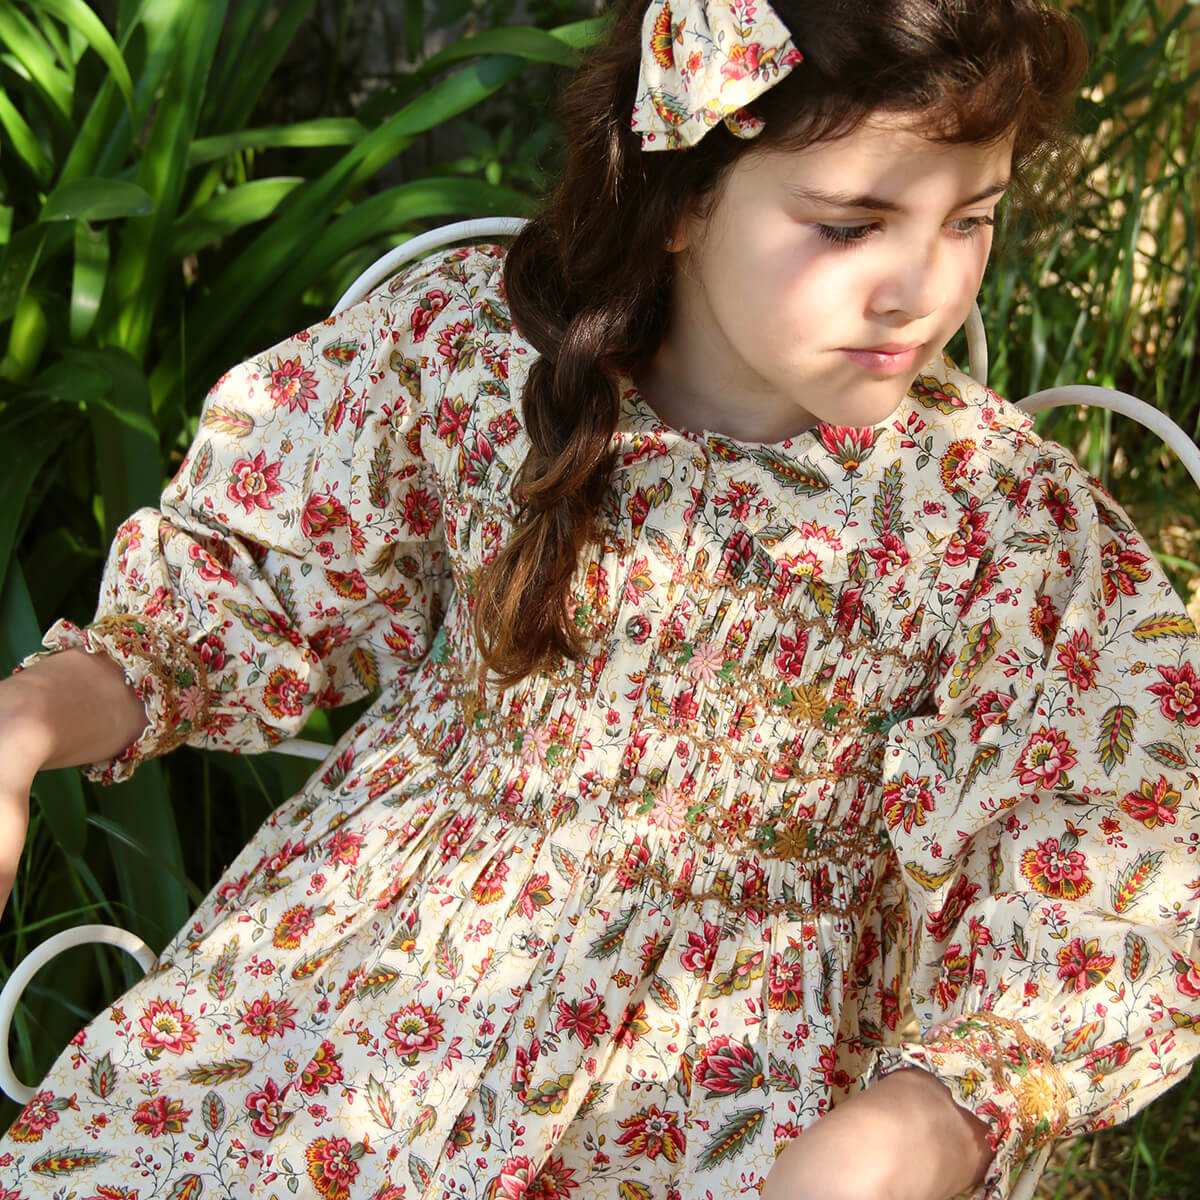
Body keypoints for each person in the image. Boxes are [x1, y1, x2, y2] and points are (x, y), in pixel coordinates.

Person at [1, 1, 1198, 1197]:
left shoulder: (995, 519)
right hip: (369, 1010)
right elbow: (241, 592)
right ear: (682, 198)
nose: (921, 291)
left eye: (972, 218)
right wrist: (31, 719)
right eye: (849, 225)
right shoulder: (474, 359)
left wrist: (935, 1112)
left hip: (738, 1088)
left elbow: (1120, 860)